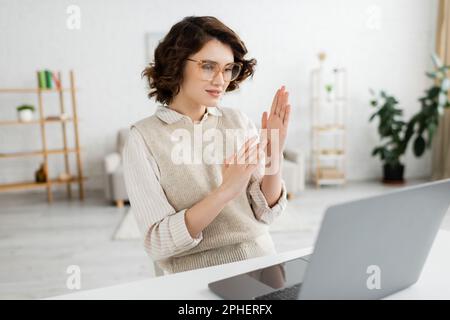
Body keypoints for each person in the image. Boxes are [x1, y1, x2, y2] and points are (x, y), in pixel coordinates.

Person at [123, 16, 291, 274]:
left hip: (262, 262)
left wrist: (274, 155)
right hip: (193, 276)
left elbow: (265, 212)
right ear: (177, 65)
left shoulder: (238, 121)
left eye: (227, 68)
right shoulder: (142, 138)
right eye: (208, 66)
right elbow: (158, 242)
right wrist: (225, 191)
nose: (220, 79)